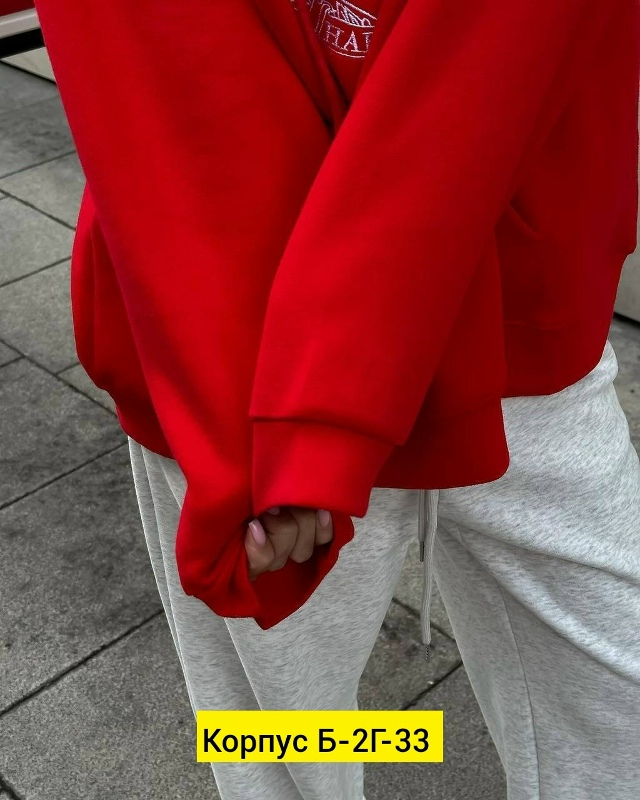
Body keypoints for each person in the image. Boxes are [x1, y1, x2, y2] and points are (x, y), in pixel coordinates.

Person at [34, 0, 640, 797]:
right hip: (230, 337)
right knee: (280, 745)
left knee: (613, 716)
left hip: (514, 320)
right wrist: (268, 417)